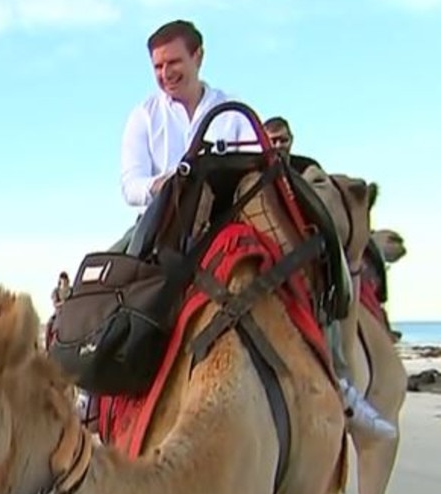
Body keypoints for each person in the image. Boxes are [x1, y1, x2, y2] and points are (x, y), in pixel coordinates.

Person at [261, 117, 396, 438]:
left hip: (307, 255)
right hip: (269, 253)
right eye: (272, 141)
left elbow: (324, 217)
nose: (278, 146)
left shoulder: (309, 171)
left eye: (282, 140)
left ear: (291, 139)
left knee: (332, 300)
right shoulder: (256, 174)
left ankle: (340, 379)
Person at [113, 19, 255, 255]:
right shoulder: (143, 116)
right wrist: (162, 185)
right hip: (161, 229)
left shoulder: (233, 111)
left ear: (198, 57)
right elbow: (130, 186)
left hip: (230, 224)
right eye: (158, 66)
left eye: (174, 62)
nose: (166, 73)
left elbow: (256, 171)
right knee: (100, 283)